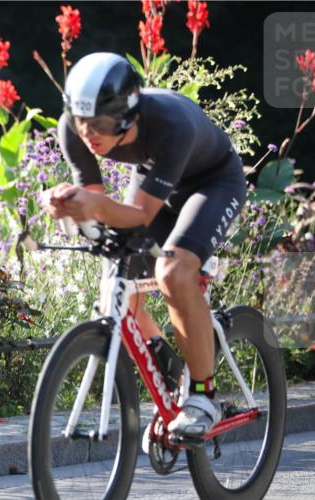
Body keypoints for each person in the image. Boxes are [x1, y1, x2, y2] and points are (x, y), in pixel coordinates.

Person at [41, 52, 247, 441]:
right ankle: (172, 368)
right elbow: (99, 206)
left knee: (173, 271)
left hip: (213, 183)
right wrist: (66, 206)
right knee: (115, 291)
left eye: (100, 123)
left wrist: (92, 205)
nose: (89, 134)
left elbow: (137, 215)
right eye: (82, 121)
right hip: (156, 182)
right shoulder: (73, 128)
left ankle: (203, 395)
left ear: (129, 114)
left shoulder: (171, 124)